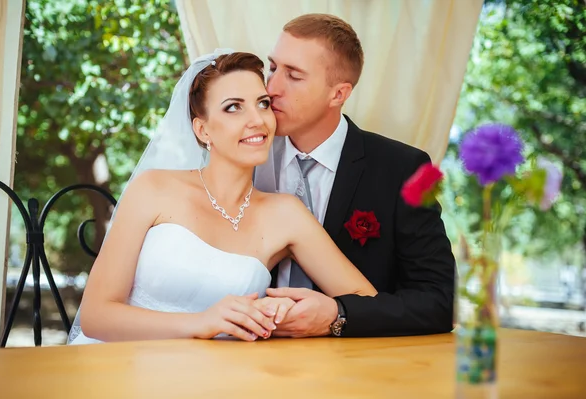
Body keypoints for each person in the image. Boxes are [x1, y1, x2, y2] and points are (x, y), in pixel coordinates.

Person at [67, 50, 376, 345]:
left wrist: (314, 314)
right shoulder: (153, 189)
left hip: (220, 376)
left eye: (263, 103)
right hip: (118, 362)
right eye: (233, 107)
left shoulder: (286, 215)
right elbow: (96, 316)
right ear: (202, 130)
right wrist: (201, 323)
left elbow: (365, 303)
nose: (257, 119)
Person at [254, 14, 456, 338]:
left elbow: (438, 303)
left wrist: (339, 315)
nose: (271, 87)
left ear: (338, 94)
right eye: (274, 67)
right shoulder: (245, 157)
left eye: (294, 76)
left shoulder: (403, 169)